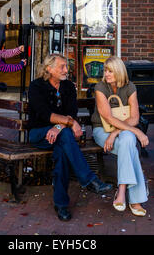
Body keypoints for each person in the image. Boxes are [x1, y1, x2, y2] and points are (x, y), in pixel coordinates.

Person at [28, 53, 112, 222]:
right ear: (49, 69)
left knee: (62, 154)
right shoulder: (36, 86)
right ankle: (89, 180)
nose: (67, 70)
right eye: (62, 67)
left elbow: (72, 112)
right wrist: (68, 123)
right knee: (66, 135)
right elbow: (44, 114)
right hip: (39, 133)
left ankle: (61, 205)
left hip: (60, 135)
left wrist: (59, 126)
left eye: (67, 66)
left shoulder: (68, 87)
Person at [91, 56, 149, 216]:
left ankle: (121, 191)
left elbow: (135, 118)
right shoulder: (100, 87)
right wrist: (137, 131)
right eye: (105, 70)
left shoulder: (130, 87)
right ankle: (136, 200)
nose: (106, 74)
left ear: (119, 71)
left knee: (127, 141)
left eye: (110, 71)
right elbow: (108, 117)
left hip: (120, 132)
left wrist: (116, 132)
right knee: (130, 142)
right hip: (102, 130)